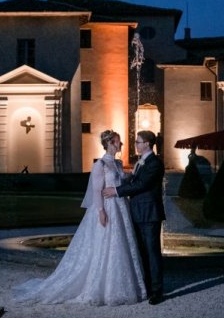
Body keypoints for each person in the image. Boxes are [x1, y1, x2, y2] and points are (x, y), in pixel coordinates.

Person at [14, 130, 146, 306]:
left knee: (121, 243)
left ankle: (121, 285)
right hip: (108, 207)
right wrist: (100, 211)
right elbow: (97, 190)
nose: (121, 144)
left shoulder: (118, 163)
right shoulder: (100, 164)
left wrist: (136, 170)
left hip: (120, 207)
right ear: (109, 143)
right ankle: (100, 286)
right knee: (105, 243)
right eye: (117, 141)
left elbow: (123, 180)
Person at [104, 130, 166, 305]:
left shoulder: (154, 163)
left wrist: (116, 191)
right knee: (142, 252)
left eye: (138, 142)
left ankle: (157, 291)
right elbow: (133, 181)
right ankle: (146, 287)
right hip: (137, 212)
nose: (136, 145)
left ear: (147, 143)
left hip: (149, 213)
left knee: (152, 253)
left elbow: (142, 184)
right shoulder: (141, 162)